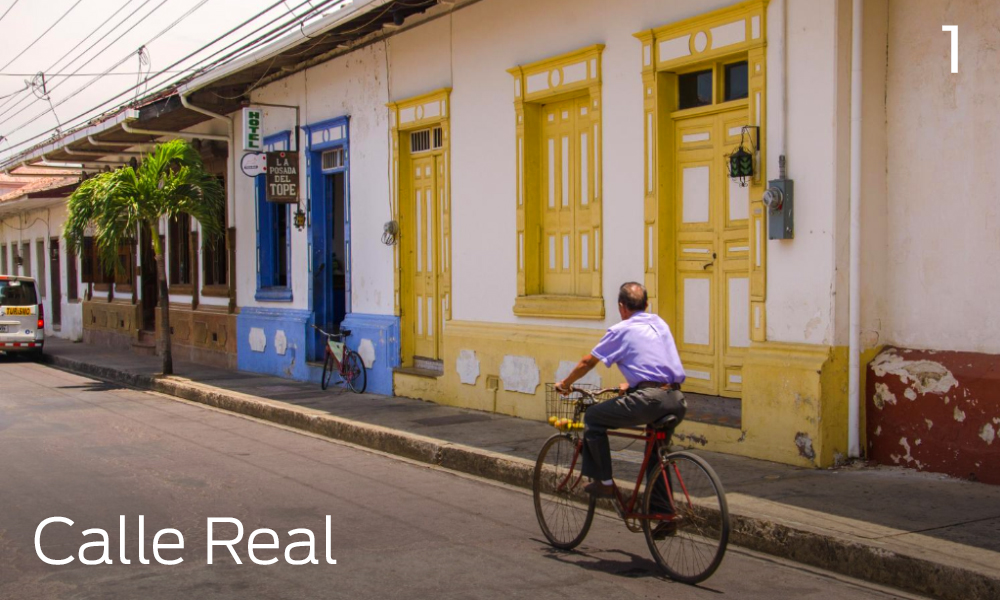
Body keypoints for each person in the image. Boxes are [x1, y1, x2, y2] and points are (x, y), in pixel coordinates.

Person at [555, 282, 686, 537]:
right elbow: (657, 364)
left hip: (650, 399)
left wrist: (565, 384)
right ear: (646, 305)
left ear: (621, 307)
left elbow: (587, 362)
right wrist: (633, 384)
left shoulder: (621, 330)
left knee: (594, 417)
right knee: (654, 454)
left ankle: (603, 481)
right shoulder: (659, 323)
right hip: (676, 399)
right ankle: (664, 512)